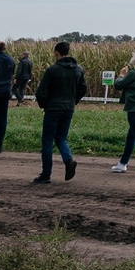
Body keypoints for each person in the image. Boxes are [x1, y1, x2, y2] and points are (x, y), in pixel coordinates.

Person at [32, 40, 88, 183]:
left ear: (56, 53)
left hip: (53, 108)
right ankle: (68, 161)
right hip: (68, 108)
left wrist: (45, 104)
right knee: (61, 138)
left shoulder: (52, 70)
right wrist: (72, 101)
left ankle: (46, 174)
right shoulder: (78, 70)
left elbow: (41, 91)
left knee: (47, 141)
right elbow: (83, 89)